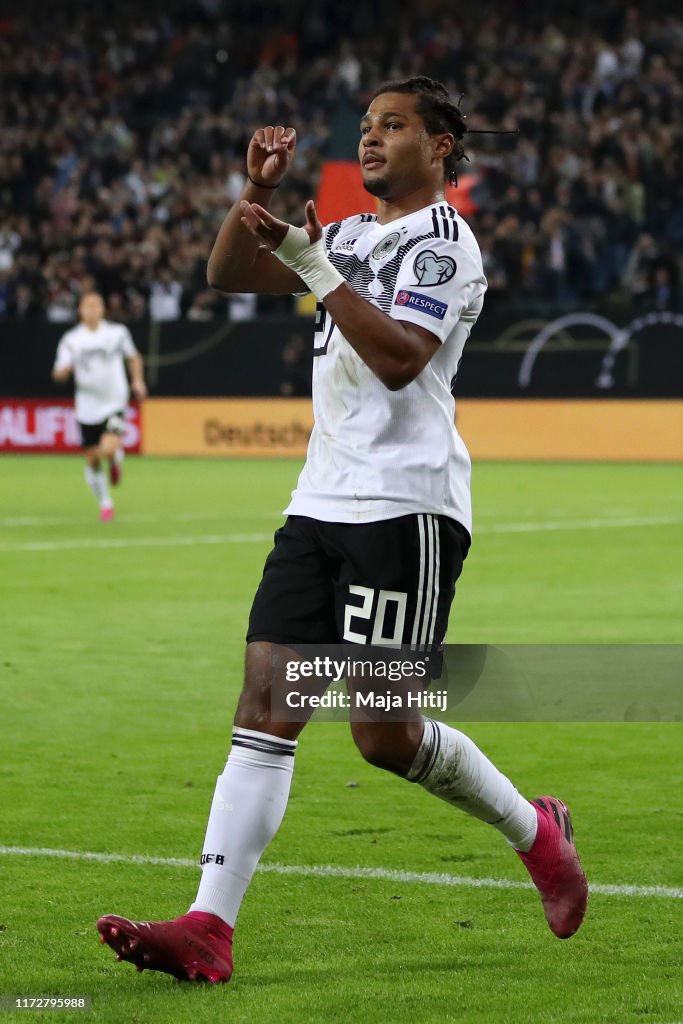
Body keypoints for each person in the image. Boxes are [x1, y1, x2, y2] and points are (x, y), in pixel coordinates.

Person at [97, 77, 587, 983]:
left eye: (392, 126)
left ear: (440, 146)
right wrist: (261, 198)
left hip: (406, 511)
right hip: (318, 503)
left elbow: (401, 360)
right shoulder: (352, 234)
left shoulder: (446, 246)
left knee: (383, 735)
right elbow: (228, 271)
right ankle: (211, 926)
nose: (370, 140)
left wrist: (312, 264)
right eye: (364, 126)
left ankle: (536, 832)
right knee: (265, 711)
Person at [52, 291, 147, 521]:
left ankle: (115, 459)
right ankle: (105, 502)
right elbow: (58, 372)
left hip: (114, 400)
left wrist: (137, 381)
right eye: (88, 306)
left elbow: (133, 357)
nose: (93, 310)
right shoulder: (71, 340)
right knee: (93, 459)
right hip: (87, 406)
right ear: (80, 310)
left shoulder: (117, 333)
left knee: (108, 448)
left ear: (103, 310)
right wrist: (63, 372)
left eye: (97, 305)